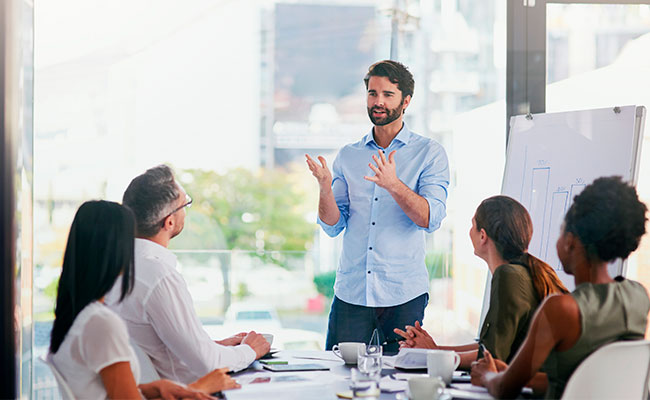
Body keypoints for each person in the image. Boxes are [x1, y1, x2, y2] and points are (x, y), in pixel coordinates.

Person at [306, 60, 450, 352]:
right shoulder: (348, 155)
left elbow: (430, 218)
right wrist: (324, 186)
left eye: (387, 94)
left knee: (400, 377)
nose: (378, 102)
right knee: (340, 374)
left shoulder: (429, 153)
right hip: (352, 293)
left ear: (406, 101)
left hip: (403, 295)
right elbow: (333, 225)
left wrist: (393, 184)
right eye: (372, 94)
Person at [471, 176, 650, 399]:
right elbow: (582, 377)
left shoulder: (560, 309)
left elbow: (505, 388)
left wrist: (488, 375)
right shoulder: (638, 297)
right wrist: (510, 373)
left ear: (569, 242)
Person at [49, 200, 238, 399]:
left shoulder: (74, 316)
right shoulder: (101, 323)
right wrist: (198, 388)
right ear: (117, 251)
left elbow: (104, 392)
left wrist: (157, 387)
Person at [105, 165, 270, 385]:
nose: (187, 210)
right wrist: (250, 351)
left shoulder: (116, 267)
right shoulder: (158, 277)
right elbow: (206, 364)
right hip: (187, 391)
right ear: (169, 221)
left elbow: (160, 348)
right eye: (186, 204)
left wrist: (214, 345)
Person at [395, 196, 568, 369]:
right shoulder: (521, 272)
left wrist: (433, 355)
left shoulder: (508, 275)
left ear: (483, 236)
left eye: (472, 225)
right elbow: (486, 346)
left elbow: (490, 357)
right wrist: (434, 349)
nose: (469, 231)